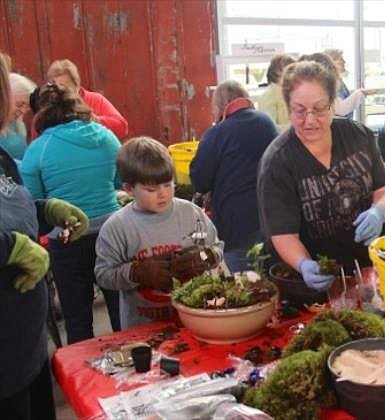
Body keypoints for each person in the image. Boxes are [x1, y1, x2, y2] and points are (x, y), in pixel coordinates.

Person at [257, 61, 385, 291]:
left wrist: (378, 212)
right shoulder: (277, 163)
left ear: (333, 104)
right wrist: (304, 264)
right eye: (299, 110)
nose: (309, 120)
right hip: (318, 281)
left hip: (367, 270)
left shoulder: (358, 136)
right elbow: (283, 234)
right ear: (288, 107)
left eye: (319, 108)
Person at [0, 57, 88, 420]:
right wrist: (8, 247)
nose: (19, 116)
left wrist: (44, 209)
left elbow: (10, 206)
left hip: (26, 347)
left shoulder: (3, 157)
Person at [20, 83, 122, 344]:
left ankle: (84, 380)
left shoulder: (39, 148)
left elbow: (34, 203)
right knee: (121, 315)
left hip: (68, 239)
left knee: (77, 322)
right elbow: (121, 182)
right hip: (113, 233)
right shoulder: (107, 136)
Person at [96, 137, 223, 328]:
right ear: (129, 189)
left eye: (168, 184)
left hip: (194, 320)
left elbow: (215, 247)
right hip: (142, 326)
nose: (162, 194)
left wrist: (204, 257)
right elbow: (104, 274)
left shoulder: (192, 214)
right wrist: (135, 273)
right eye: (151, 189)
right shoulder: (117, 227)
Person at [190, 80, 278, 273]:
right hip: (272, 217)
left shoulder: (217, 133)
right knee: (270, 283)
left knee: (244, 288)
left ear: (219, 106)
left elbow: (200, 179)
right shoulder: (267, 121)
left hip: (236, 223)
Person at [47, 59, 128, 140]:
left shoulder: (95, 99)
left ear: (77, 87)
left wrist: (92, 119)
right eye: (55, 87)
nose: (60, 91)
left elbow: (122, 127)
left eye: (64, 86)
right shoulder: (47, 107)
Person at [324, 48, 377, 120]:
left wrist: (361, 93)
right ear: (331, 63)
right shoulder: (329, 82)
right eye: (340, 59)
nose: (344, 61)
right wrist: (361, 92)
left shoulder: (337, 80)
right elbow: (340, 109)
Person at [0, 73, 35, 160]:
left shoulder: (18, 124)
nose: (23, 111)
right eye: (20, 104)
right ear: (6, 97)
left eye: (27, 106)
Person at [258, 54, 296, 131]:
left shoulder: (293, 90)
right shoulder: (268, 96)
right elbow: (270, 129)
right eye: (291, 71)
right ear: (278, 73)